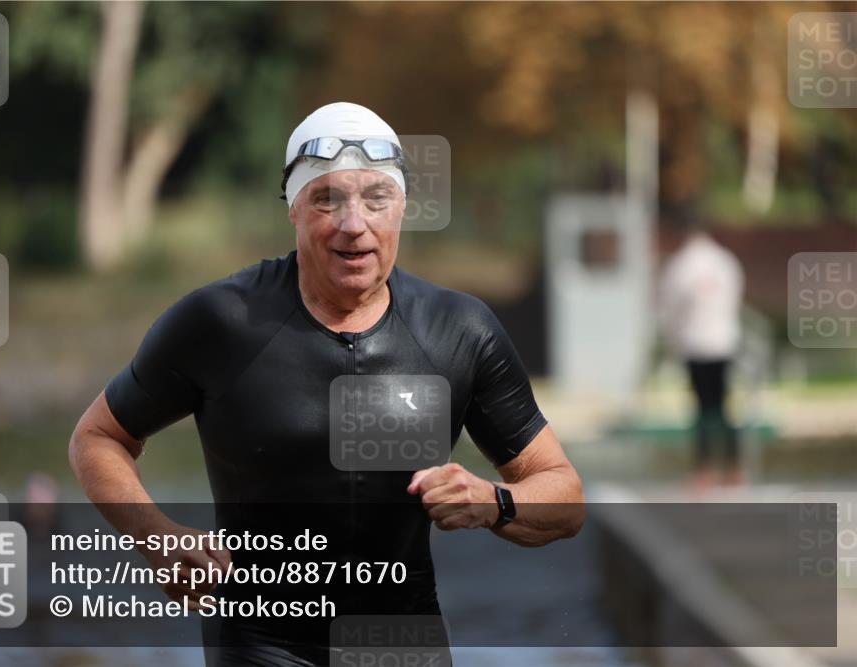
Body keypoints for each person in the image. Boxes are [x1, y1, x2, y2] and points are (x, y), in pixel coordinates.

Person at [69, 101, 585, 665]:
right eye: (326, 199)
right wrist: (159, 538)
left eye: (376, 198)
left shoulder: (457, 331)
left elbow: (563, 494)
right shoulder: (223, 321)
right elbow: (98, 437)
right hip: (262, 644)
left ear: (402, 208)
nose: (353, 223)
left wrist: (494, 501)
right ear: (293, 210)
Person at [658, 214, 745, 487]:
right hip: (723, 342)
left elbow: (669, 306)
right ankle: (733, 466)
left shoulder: (681, 265)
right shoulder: (725, 261)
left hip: (696, 343)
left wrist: (671, 338)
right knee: (722, 405)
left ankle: (705, 468)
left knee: (703, 407)